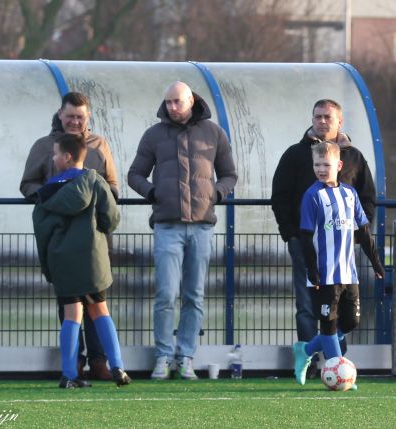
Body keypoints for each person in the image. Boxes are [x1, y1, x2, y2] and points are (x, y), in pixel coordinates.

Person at [128, 81, 238, 380]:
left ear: (191, 100)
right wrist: (153, 193)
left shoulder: (214, 133)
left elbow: (229, 175)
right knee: (165, 294)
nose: (172, 107)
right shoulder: (154, 135)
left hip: (202, 226)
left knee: (194, 296)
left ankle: (186, 357)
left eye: (177, 101)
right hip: (167, 226)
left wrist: (215, 194)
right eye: (168, 102)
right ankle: (163, 357)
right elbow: (134, 175)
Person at [20, 91, 120, 381]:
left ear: (88, 117)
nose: (75, 121)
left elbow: (113, 185)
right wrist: (49, 198)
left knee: (90, 304)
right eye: (70, 116)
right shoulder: (43, 146)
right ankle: (77, 362)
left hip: (92, 240)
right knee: (78, 306)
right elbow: (28, 184)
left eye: (80, 117)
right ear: (60, 115)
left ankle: (98, 362)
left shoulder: (99, 145)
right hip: (65, 240)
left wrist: (99, 198)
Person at [270, 99, 375, 366]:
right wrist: (291, 235)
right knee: (307, 306)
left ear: (340, 121)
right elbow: (280, 197)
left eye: (328, 117)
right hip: (306, 245)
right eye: (318, 116)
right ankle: (315, 364)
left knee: (343, 312)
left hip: (342, 249)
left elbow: (367, 199)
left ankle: (333, 361)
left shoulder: (354, 157)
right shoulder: (295, 154)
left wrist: (357, 234)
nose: (322, 121)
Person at [32, 133, 129, 388]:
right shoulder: (95, 181)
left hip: (62, 259)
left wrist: (48, 263)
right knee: (100, 310)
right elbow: (112, 218)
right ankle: (118, 367)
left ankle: (69, 374)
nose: (53, 158)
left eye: (55, 154)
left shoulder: (46, 192)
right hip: (92, 257)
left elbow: (42, 231)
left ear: (66, 157)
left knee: (71, 313)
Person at [291, 142, 384, 386]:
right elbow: (305, 237)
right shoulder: (312, 196)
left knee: (350, 322)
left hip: (348, 273)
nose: (321, 169)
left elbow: (363, 231)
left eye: (326, 165)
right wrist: (313, 270)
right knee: (329, 326)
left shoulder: (350, 194)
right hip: (324, 274)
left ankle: (305, 349)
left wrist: (376, 263)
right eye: (317, 165)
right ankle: (341, 376)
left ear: (339, 165)